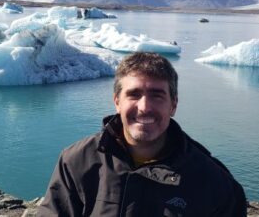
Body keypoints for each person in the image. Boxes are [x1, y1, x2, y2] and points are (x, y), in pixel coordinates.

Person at [38, 52, 247, 216]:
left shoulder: (212, 181)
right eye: (134, 94)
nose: (144, 107)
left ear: (173, 105)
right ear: (117, 102)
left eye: (157, 95)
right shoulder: (77, 162)